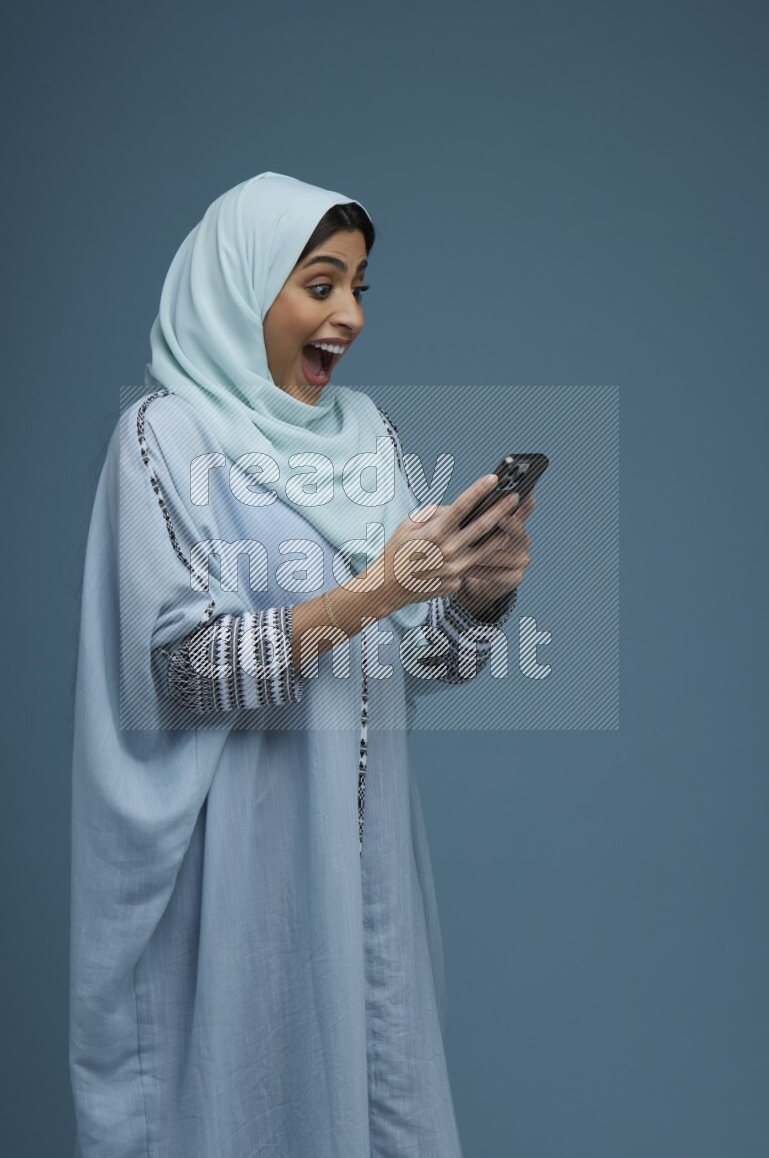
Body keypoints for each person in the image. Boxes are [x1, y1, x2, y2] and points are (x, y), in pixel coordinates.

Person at [69, 171, 535, 1157]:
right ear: (240, 288)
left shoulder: (365, 436)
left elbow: (423, 662)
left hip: (371, 870)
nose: (350, 315)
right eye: (320, 284)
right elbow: (180, 671)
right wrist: (374, 591)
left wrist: (480, 596)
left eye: (359, 287)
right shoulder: (163, 438)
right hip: (244, 869)